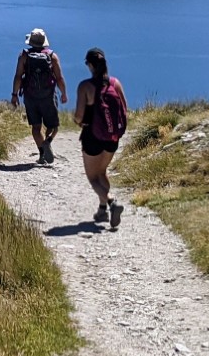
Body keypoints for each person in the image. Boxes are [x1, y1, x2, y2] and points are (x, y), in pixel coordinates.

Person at [74, 46, 128, 230]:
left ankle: (112, 203)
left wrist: (78, 122)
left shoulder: (85, 87)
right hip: (112, 137)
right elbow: (125, 110)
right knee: (102, 172)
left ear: (89, 64)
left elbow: (79, 116)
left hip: (92, 136)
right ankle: (102, 210)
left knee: (93, 178)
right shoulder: (115, 83)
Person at [10, 28, 66, 165]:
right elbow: (59, 78)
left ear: (30, 42)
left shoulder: (24, 55)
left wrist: (14, 95)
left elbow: (18, 77)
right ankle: (48, 141)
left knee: (36, 127)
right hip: (49, 95)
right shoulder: (52, 56)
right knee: (53, 126)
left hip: (30, 96)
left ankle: (42, 153)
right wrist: (64, 93)